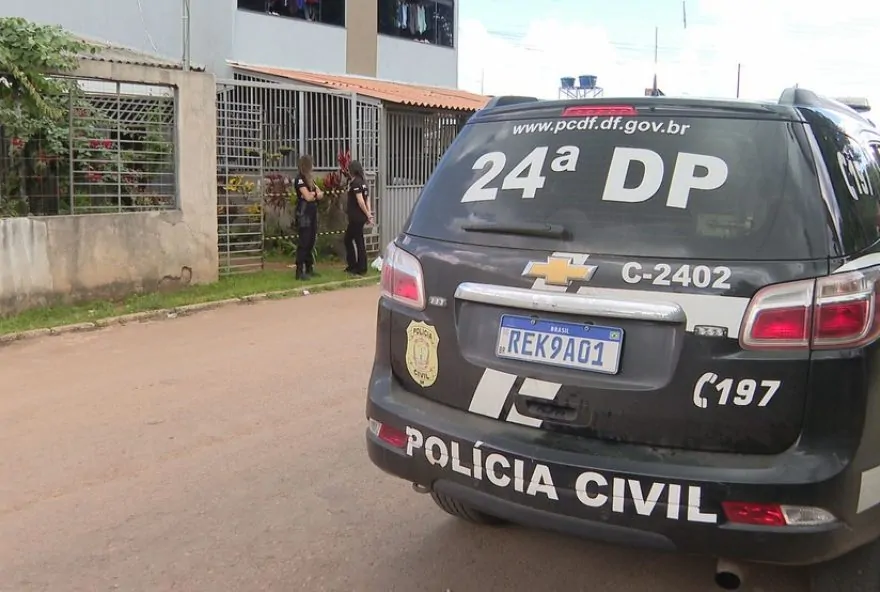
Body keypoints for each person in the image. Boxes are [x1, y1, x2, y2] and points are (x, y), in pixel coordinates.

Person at [293, 154, 323, 280]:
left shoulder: (310, 180)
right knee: (304, 242)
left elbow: (320, 194)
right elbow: (308, 197)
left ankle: (309, 268)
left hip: (312, 212)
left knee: (311, 241)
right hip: (304, 213)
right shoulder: (299, 179)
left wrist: (314, 194)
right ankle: (299, 271)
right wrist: (314, 195)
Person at [343, 160, 374, 275]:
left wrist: (368, 214)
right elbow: (367, 200)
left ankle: (358, 267)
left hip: (356, 217)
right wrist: (368, 214)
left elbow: (360, 201)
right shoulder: (363, 182)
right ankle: (358, 266)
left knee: (352, 240)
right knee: (355, 240)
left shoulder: (356, 183)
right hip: (360, 217)